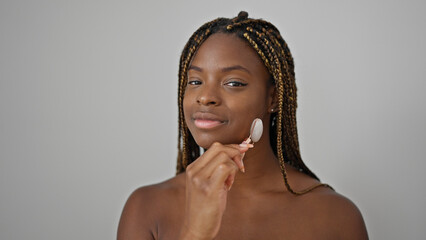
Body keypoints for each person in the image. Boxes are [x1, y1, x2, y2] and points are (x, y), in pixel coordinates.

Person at [117, 11, 368, 240]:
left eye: (233, 83)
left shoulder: (336, 216)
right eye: (194, 81)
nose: (205, 97)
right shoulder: (145, 208)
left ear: (273, 98)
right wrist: (195, 233)